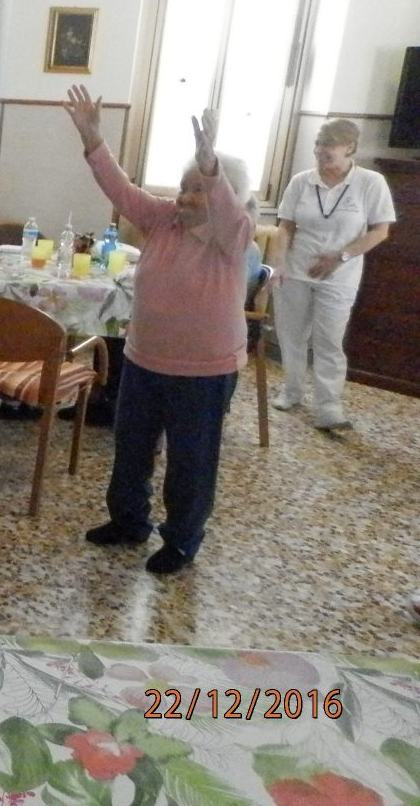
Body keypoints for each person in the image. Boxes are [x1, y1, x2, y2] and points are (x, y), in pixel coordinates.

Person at [63, 85, 254, 575]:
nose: (187, 196)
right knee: (131, 450)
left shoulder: (234, 234)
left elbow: (225, 205)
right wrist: (93, 140)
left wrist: (211, 164)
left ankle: (182, 540)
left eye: (200, 189)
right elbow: (122, 190)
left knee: (190, 464)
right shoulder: (164, 220)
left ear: (222, 196)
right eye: (184, 185)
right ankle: (128, 521)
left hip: (204, 372)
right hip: (144, 358)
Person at [269, 119, 395, 431]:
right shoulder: (302, 181)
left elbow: (380, 231)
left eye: (330, 152)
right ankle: (292, 390)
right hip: (296, 271)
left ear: (350, 148)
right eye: (319, 150)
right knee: (291, 335)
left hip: (339, 275)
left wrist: (341, 256)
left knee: (328, 341)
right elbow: (285, 226)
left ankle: (328, 406)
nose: (323, 157)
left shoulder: (371, 182)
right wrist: (278, 263)